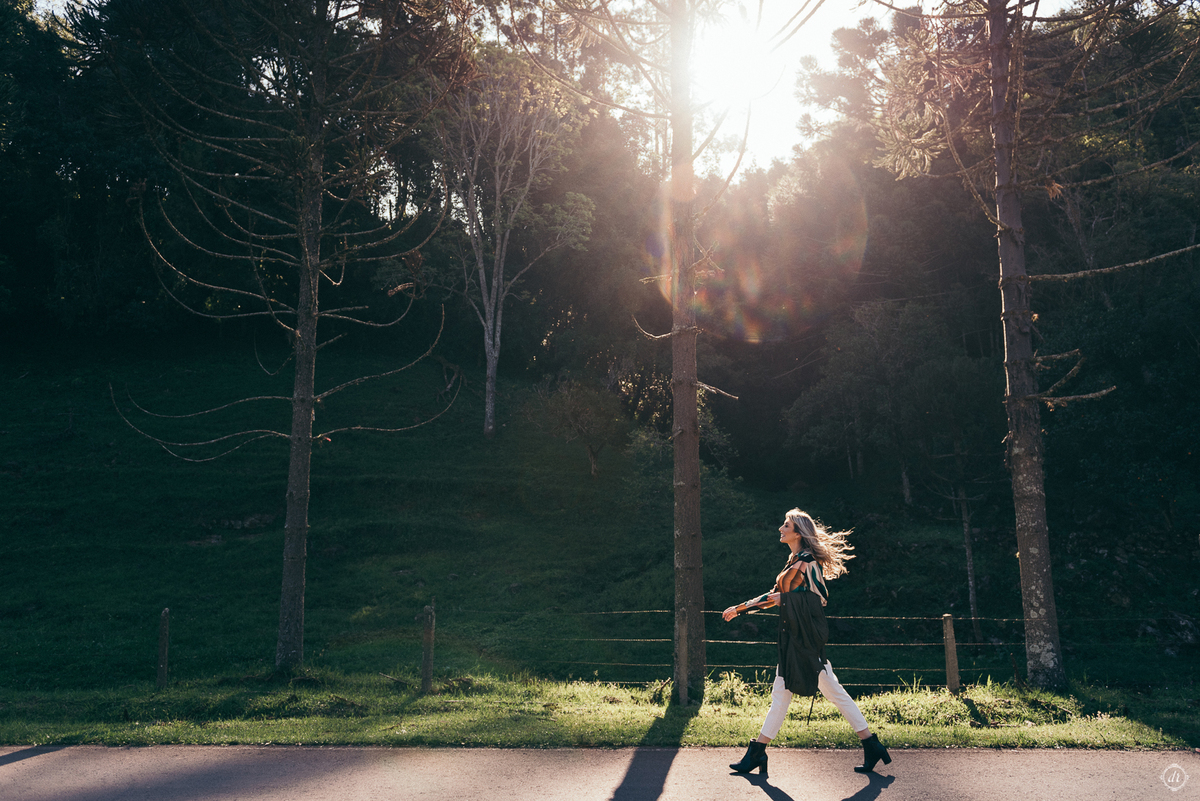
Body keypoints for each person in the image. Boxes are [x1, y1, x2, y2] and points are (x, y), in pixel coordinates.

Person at [722, 508, 891, 778]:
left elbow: (820, 598)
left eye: (786, 525)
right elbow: (774, 595)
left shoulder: (809, 561)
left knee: (823, 693)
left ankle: (758, 753)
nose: (781, 529)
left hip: (805, 640)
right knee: (794, 694)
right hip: (794, 638)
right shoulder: (794, 561)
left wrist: (787, 600)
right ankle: (871, 745)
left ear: (798, 532)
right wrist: (741, 608)